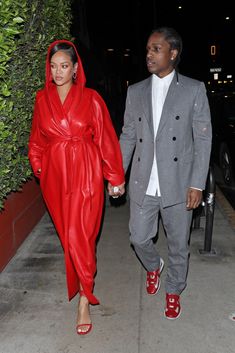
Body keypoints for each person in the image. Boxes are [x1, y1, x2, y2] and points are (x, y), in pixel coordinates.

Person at [28, 40, 125, 335]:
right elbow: (36, 141)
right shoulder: (41, 99)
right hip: (55, 177)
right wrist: (40, 167)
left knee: (80, 233)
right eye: (54, 66)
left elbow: (106, 138)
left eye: (64, 66)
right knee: (68, 238)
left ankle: (85, 297)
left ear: (75, 68)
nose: (58, 72)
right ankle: (85, 286)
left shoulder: (92, 98)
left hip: (86, 172)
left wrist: (115, 176)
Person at [116, 27, 212, 319]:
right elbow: (128, 135)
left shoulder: (194, 89)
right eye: (147, 49)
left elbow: (203, 138)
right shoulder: (136, 91)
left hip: (179, 183)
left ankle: (173, 290)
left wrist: (197, 183)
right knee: (139, 238)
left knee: (178, 245)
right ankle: (154, 266)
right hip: (144, 180)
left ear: (173, 53)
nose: (149, 54)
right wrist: (117, 174)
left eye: (156, 49)